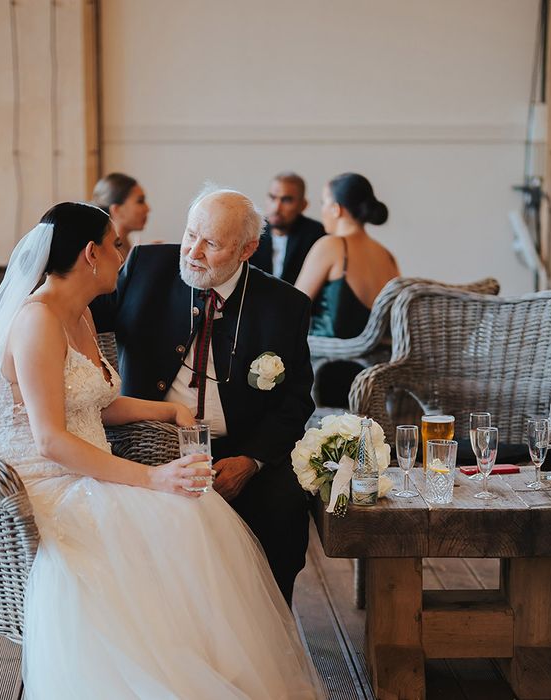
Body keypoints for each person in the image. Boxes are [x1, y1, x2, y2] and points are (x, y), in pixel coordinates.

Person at [0, 202, 322, 698]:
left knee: (200, 516)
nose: (123, 257)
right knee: (184, 520)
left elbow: (92, 405)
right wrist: (151, 478)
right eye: (115, 245)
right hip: (43, 482)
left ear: (247, 249)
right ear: (91, 253)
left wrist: (165, 411)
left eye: (209, 242)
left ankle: (209, 666)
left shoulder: (79, 315)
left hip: (95, 467)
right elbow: (50, 440)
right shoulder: (38, 320)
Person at [92, 187, 315, 604]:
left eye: (211, 243)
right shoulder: (145, 267)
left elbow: (296, 400)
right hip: (148, 444)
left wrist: (251, 461)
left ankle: (270, 622)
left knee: (283, 509)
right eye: (190, 234)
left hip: (241, 447)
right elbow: (79, 308)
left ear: (247, 249)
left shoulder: (284, 306)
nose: (192, 251)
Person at [295, 173, 399, 407]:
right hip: (375, 382)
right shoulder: (386, 255)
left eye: (323, 203)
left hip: (327, 373)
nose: (321, 211)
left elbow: (292, 307)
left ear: (336, 209)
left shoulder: (331, 246)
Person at [250, 171, 325, 284]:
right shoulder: (251, 231)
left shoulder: (317, 235)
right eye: (272, 198)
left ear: (303, 205)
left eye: (286, 200)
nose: (276, 208)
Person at [91, 172, 150, 258]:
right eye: (140, 201)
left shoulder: (128, 246)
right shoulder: (105, 255)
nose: (147, 209)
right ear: (117, 210)